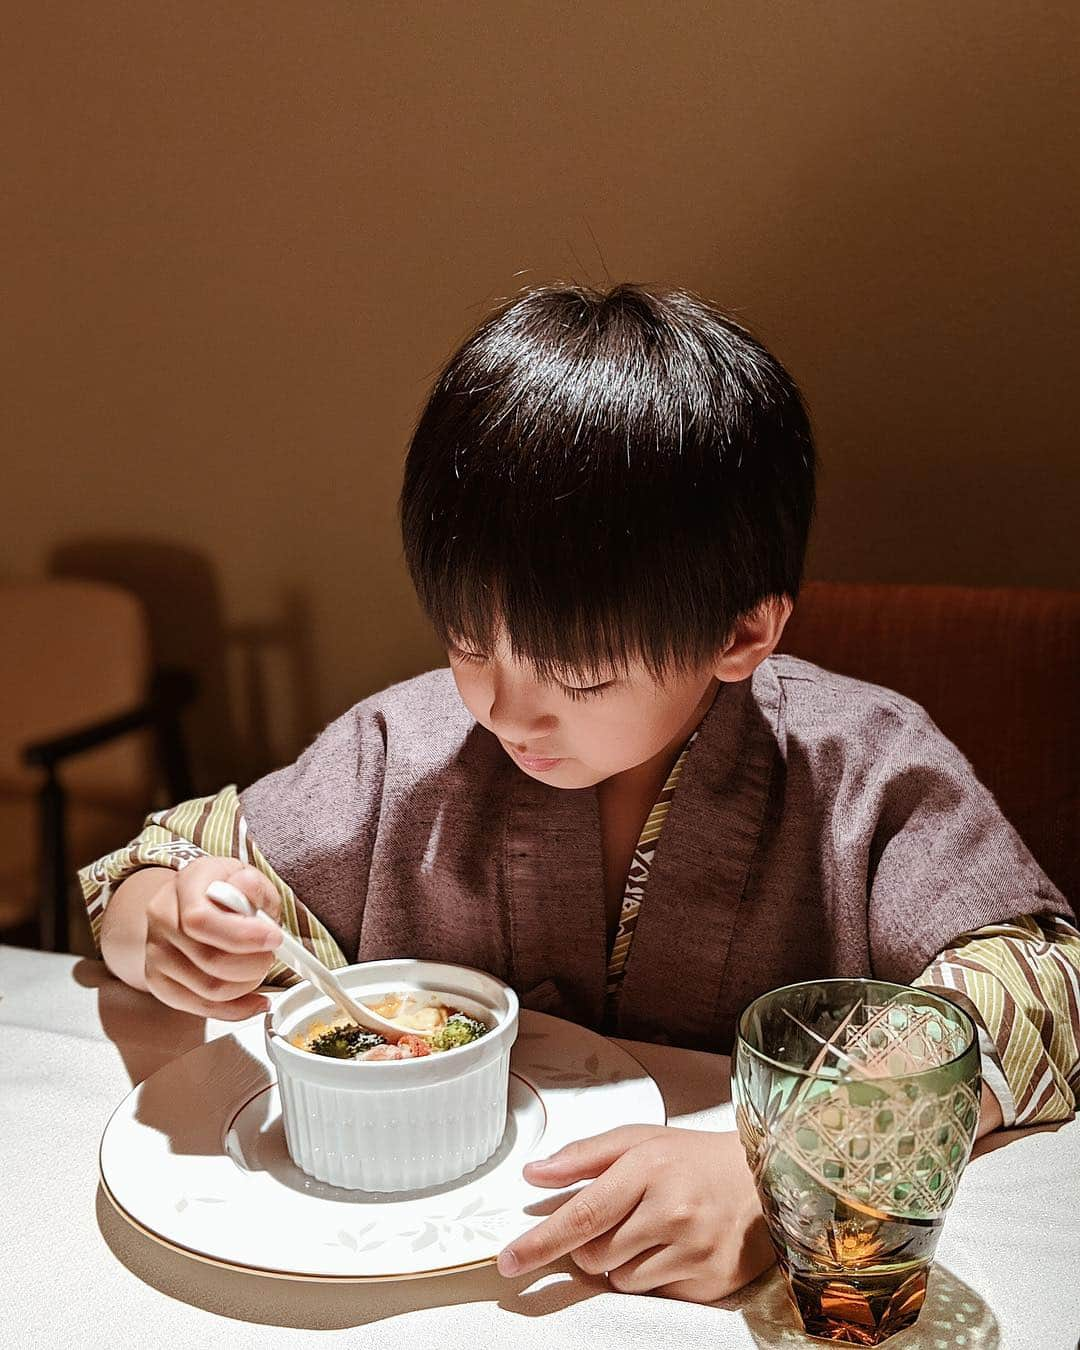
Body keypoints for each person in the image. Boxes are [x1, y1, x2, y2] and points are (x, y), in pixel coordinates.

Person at [81, 284, 1079, 1303]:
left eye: (583, 676)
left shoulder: (861, 766)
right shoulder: (408, 743)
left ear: (742, 635)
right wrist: (167, 921)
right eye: (470, 644)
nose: (508, 711)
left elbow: (1042, 982)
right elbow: (155, 866)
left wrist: (788, 1165)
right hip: (407, 1284)